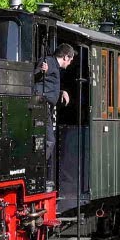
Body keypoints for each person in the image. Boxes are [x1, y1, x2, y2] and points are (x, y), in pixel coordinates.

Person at [34, 43, 75, 190]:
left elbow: (49, 86)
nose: (70, 64)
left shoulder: (55, 67)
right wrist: (41, 71)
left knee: (48, 140)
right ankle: (36, 171)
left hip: (46, 107)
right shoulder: (47, 62)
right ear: (65, 57)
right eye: (70, 60)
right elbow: (35, 78)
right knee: (49, 140)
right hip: (40, 106)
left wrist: (61, 92)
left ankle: (38, 171)